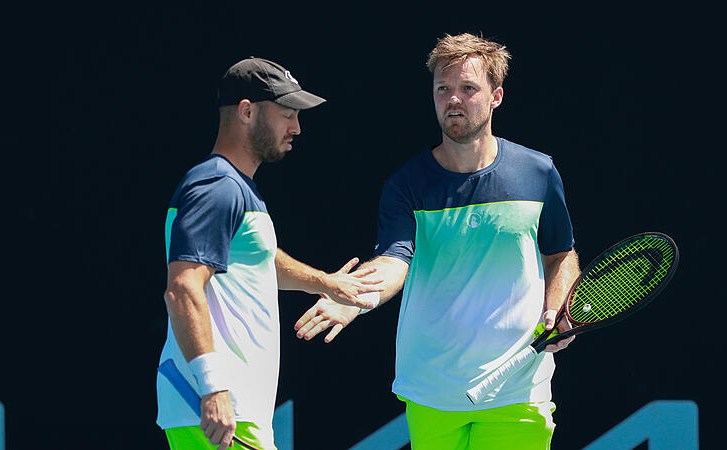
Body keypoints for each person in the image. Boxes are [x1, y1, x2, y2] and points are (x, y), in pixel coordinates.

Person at [295, 33, 581, 449]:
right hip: (432, 391)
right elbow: (394, 260)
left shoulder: (538, 172)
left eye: (468, 89)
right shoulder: (406, 185)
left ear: (495, 96)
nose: (453, 100)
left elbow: (560, 253)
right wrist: (356, 295)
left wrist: (558, 307)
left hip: (519, 389)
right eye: (443, 89)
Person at [156, 57, 382, 450]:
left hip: (230, 412)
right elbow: (182, 288)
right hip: (217, 413)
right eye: (286, 115)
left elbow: (258, 258)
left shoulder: (233, 187)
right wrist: (214, 388)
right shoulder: (216, 186)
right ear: (246, 112)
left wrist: (323, 283)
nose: (296, 127)